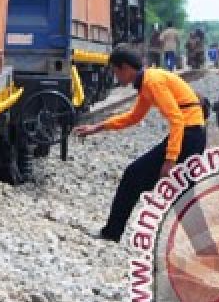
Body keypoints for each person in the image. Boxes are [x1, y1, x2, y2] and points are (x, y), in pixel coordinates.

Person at [75, 46, 207, 242]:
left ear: (126, 68)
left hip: (188, 135)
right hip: (192, 134)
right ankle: (204, 246)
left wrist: (170, 160)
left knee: (136, 176)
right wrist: (98, 127)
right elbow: (134, 117)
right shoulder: (147, 83)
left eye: (116, 71)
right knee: (181, 190)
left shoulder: (152, 82)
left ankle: (112, 232)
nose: (116, 77)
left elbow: (177, 119)